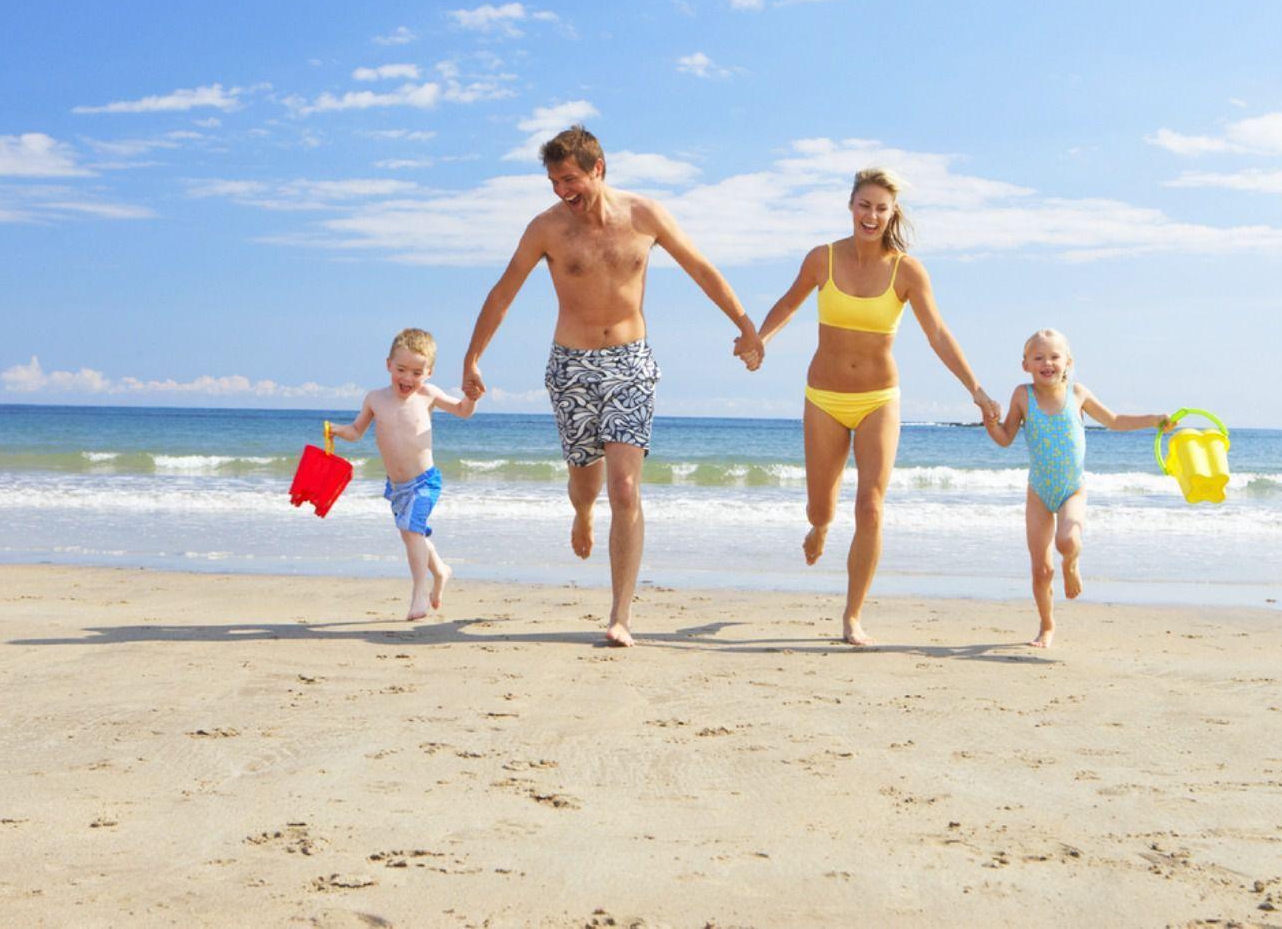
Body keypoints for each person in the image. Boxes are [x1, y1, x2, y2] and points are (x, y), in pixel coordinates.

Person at [461, 124, 764, 648]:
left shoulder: (645, 215)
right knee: (587, 484)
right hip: (570, 365)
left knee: (625, 488)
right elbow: (503, 291)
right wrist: (473, 358)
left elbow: (700, 268)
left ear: (598, 169)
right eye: (554, 182)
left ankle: (620, 614)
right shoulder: (546, 229)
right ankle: (581, 512)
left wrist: (746, 325)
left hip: (631, 362)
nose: (562, 191)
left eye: (570, 179)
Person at [750, 167, 999, 646]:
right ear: (850, 206)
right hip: (823, 398)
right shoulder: (821, 259)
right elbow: (787, 304)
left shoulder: (907, 270)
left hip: (878, 400)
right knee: (821, 506)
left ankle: (852, 616)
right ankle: (820, 528)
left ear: (891, 214)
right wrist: (760, 340)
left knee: (870, 506)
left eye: (881, 208)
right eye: (864, 205)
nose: (872, 215)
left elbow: (938, 334)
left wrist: (977, 390)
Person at [982, 328, 1172, 648]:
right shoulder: (1022, 396)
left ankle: (1072, 564)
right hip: (1039, 492)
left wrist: (1154, 420)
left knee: (1068, 540)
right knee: (1041, 569)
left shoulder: (1078, 393)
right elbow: (1005, 439)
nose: (1047, 363)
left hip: (1072, 489)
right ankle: (1046, 626)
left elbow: (1114, 420)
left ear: (1068, 362)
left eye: (1054, 356)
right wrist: (990, 422)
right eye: (1038, 357)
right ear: (1025, 364)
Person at [329, 328, 475, 621]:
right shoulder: (375, 399)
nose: (408, 378)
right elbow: (358, 431)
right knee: (413, 534)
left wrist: (471, 397)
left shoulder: (428, 395)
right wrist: (337, 431)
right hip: (397, 487)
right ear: (388, 365)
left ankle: (419, 593)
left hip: (424, 482)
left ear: (429, 372)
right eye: (401, 370)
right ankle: (441, 571)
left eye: (417, 372)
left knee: (411, 532)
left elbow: (462, 411)